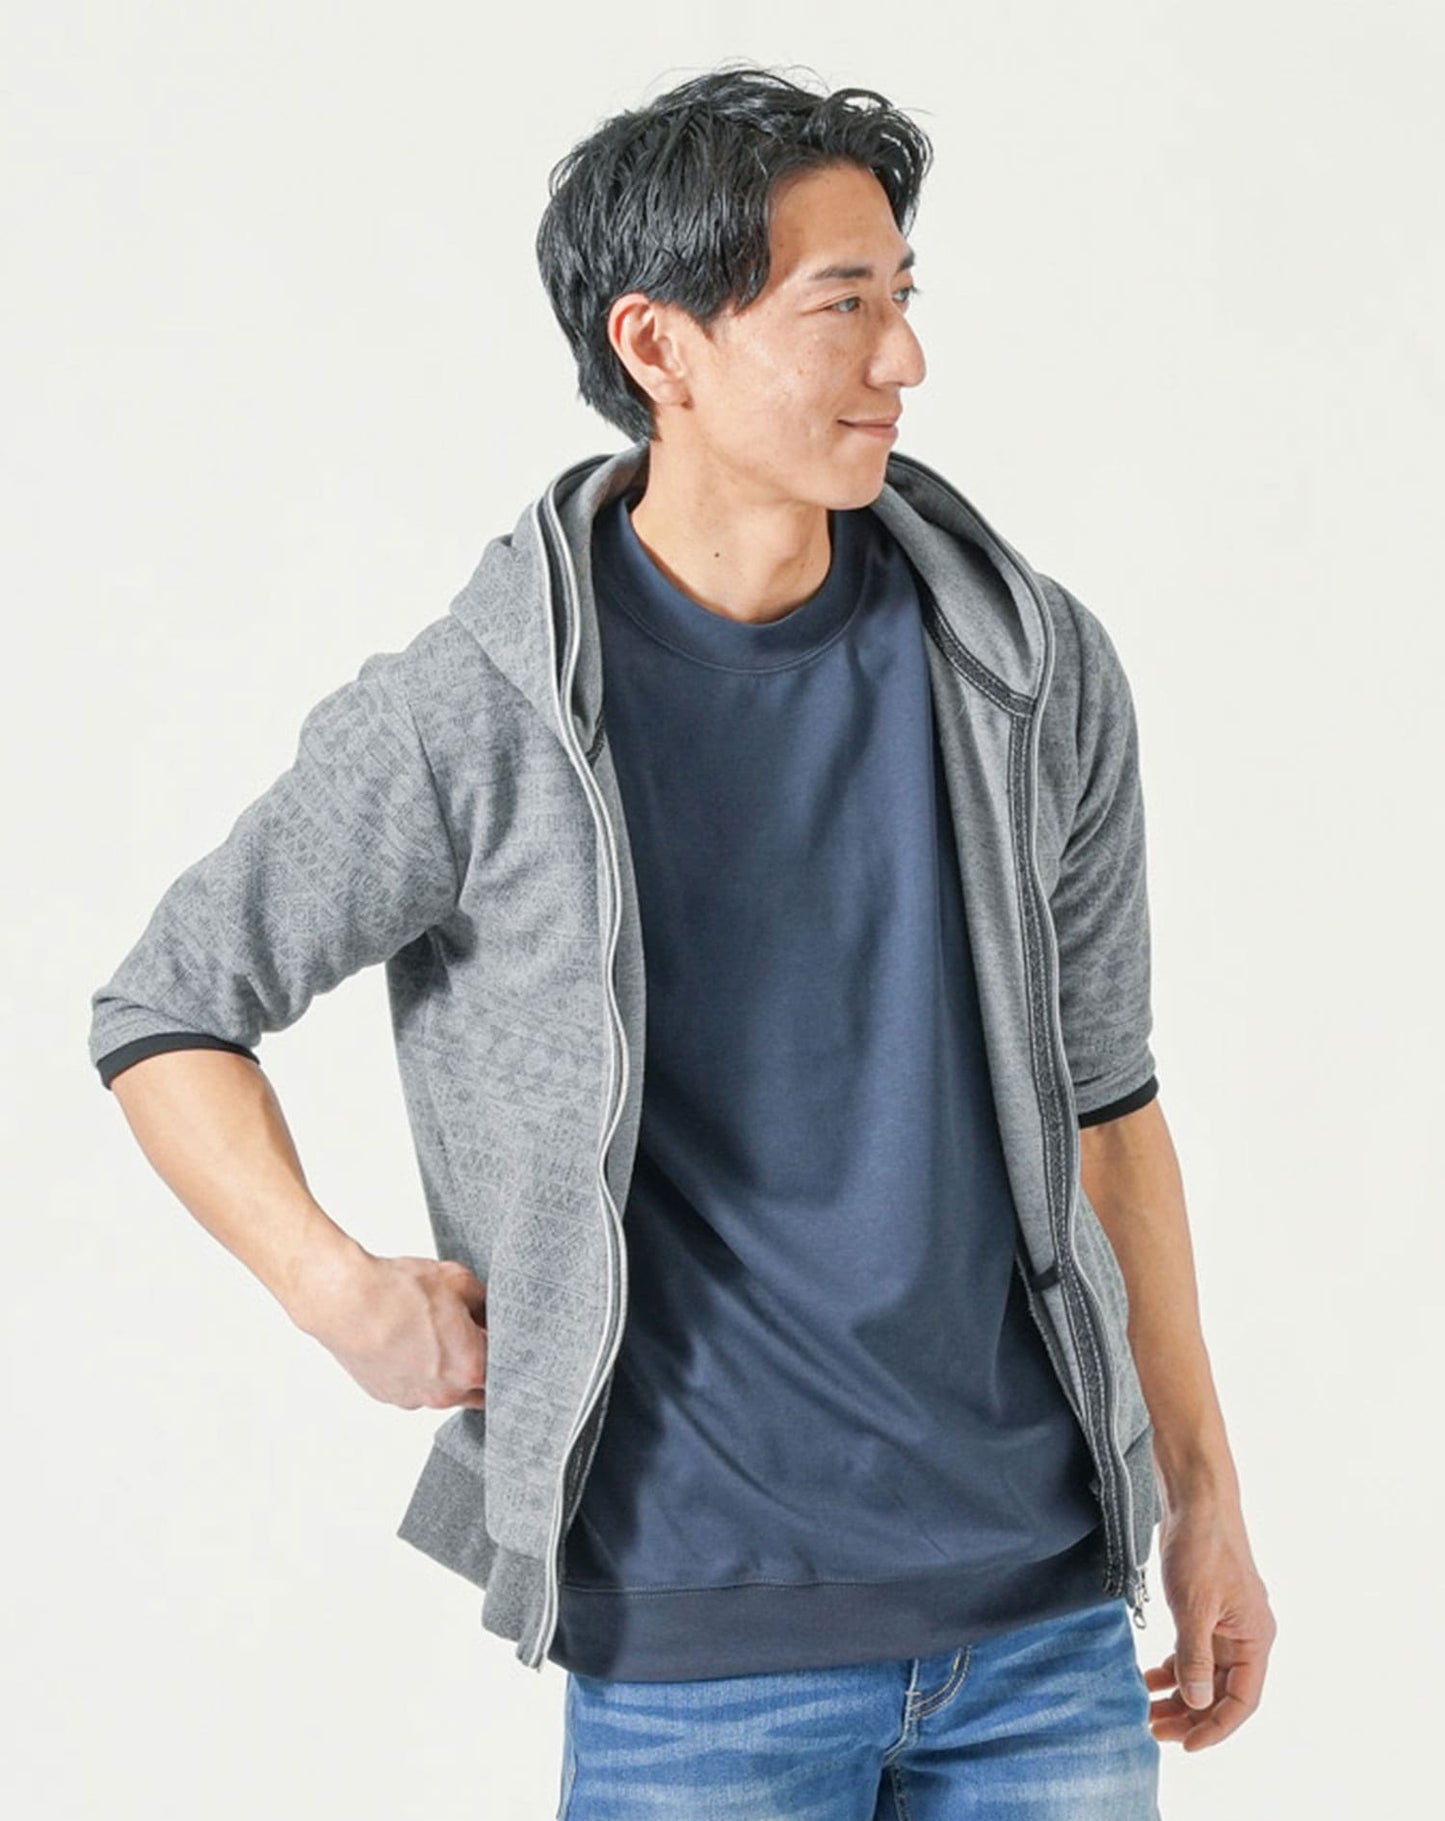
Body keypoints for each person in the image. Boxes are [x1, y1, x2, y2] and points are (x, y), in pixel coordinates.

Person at [88, 62, 1274, 1819]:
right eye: (840, 305)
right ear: (658, 345)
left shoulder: (1030, 670)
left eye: (903, 296)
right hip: (696, 1648)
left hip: (1041, 1630)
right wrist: (332, 1287)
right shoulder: (478, 711)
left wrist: (1203, 1500)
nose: (902, 357)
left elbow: (1110, 1108)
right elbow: (170, 1005)